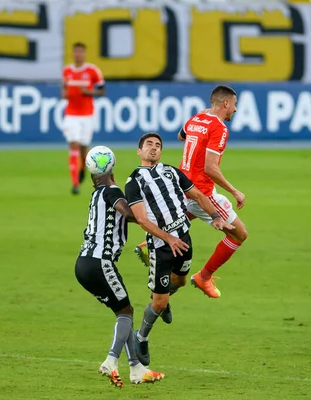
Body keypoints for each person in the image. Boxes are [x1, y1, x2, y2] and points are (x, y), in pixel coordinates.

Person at [125, 133, 234, 366]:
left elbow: (197, 195)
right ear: (139, 151)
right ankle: (140, 337)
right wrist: (168, 238)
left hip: (183, 238)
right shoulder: (133, 182)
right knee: (160, 303)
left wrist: (216, 216)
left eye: (158, 145)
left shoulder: (172, 172)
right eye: (148, 145)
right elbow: (142, 220)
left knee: (181, 281)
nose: (154, 149)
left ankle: (160, 297)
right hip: (160, 246)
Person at [134, 86, 248, 300]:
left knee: (185, 216)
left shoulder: (197, 118)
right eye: (234, 104)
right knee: (239, 234)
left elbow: (180, 136)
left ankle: (147, 246)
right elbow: (210, 168)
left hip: (180, 184)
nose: (235, 109)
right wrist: (235, 191)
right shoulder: (220, 128)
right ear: (225, 104)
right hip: (201, 192)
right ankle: (204, 277)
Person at [75, 168, 164, 386]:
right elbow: (129, 213)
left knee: (123, 311)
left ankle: (136, 368)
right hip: (100, 263)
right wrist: (149, 217)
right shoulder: (112, 191)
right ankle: (111, 360)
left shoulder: (96, 194)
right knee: (125, 313)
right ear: (111, 176)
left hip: (83, 264)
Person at [62, 42, 106, 195]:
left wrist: (88, 92)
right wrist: (65, 93)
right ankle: (75, 184)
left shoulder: (92, 71)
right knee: (73, 144)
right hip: (71, 114)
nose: (78, 55)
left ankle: (82, 168)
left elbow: (102, 91)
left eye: (80, 52)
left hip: (87, 115)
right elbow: (63, 88)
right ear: (73, 53)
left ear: (84, 54)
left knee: (83, 148)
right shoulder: (67, 71)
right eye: (75, 52)